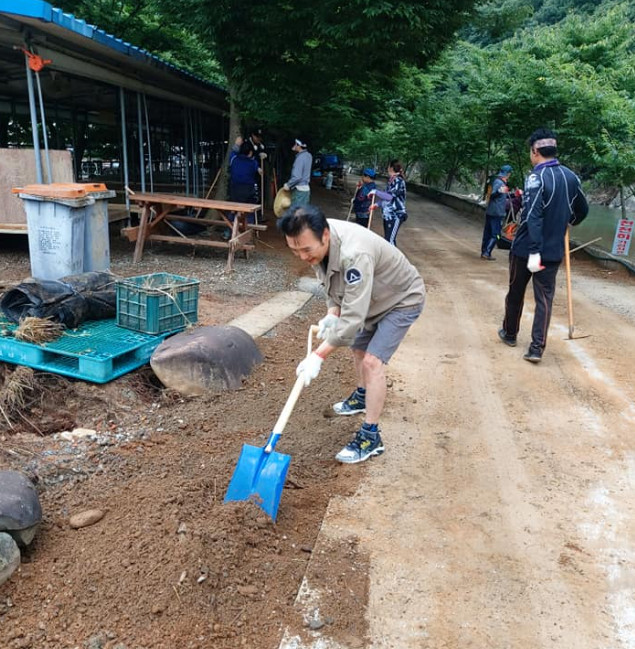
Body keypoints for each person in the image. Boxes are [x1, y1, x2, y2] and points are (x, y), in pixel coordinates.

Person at [277, 205, 425, 463]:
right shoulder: (315, 238)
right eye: (294, 250)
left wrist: (318, 355)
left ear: (325, 236)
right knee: (358, 348)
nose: (301, 256)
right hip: (372, 299)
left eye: (306, 250)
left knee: (372, 361)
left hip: (401, 299)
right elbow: (329, 281)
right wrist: (332, 312)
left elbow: (354, 318)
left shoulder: (354, 254)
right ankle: (361, 395)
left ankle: (371, 437)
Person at [498, 128, 588, 363]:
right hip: (553, 250)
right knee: (544, 299)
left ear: (535, 151)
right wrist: (568, 223)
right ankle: (536, 348)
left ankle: (509, 333)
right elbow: (582, 210)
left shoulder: (536, 178)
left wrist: (534, 252)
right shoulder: (571, 177)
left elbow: (532, 216)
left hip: (527, 249)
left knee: (515, 293)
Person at [224, 141, 260, 239]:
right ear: (250, 153)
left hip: (235, 190)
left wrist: (236, 143)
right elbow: (257, 170)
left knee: (232, 211)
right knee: (249, 212)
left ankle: (228, 232)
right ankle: (249, 233)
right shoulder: (253, 163)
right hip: (248, 191)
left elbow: (233, 151)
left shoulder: (234, 159)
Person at [368, 159, 407, 246]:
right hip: (388, 215)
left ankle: (394, 259)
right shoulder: (391, 180)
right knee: (387, 239)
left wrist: (376, 191)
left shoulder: (399, 181)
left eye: (388, 166)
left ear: (392, 168)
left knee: (390, 240)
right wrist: (376, 204)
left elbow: (390, 196)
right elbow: (386, 197)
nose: (387, 168)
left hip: (396, 214)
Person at [481, 164, 512, 260]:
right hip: (497, 213)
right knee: (497, 235)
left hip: (491, 211)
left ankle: (484, 252)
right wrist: (500, 191)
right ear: (508, 174)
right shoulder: (500, 183)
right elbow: (493, 194)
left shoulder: (496, 181)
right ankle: (487, 252)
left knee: (488, 233)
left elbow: (500, 196)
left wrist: (512, 194)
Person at [283, 139, 313, 207]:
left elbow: (297, 177)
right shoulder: (309, 155)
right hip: (306, 190)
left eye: (295, 144)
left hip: (299, 191)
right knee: (303, 213)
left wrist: (288, 185)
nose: (294, 145)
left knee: (296, 214)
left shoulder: (300, 158)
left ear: (299, 146)